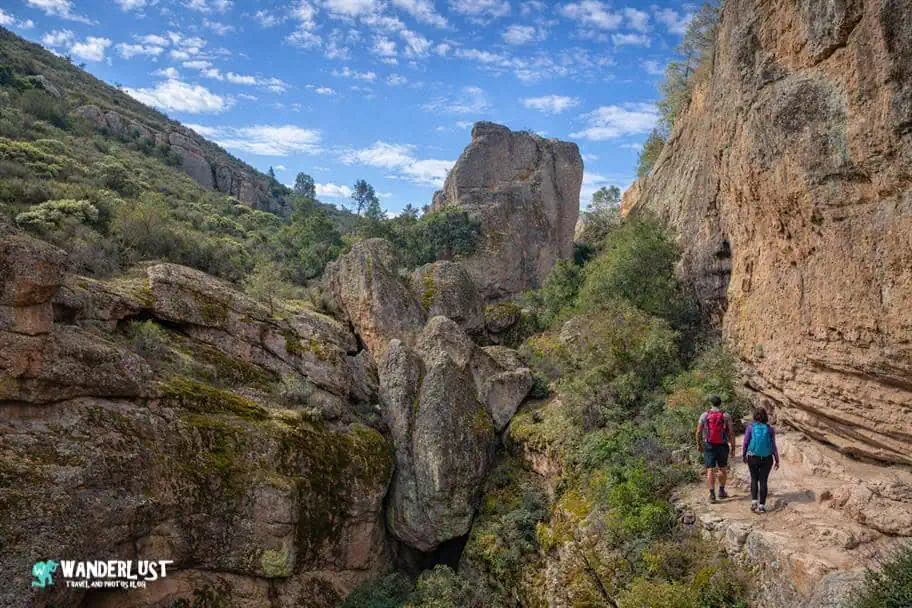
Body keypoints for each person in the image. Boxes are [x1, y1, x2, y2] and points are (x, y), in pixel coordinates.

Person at [696, 396, 735, 504]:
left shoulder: (704, 415)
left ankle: (712, 494)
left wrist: (699, 444)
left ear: (711, 403)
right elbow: (731, 432)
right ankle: (721, 491)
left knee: (710, 469)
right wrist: (733, 448)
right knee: (723, 468)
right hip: (722, 445)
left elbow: (698, 431)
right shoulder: (726, 416)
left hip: (709, 445)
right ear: (720, 403)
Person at [742, 407, 780, 513]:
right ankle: (762, 506)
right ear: (765, 417)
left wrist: (744, 455)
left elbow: (745, 442)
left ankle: (754, 501)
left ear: (754, 416)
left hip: (753, 457)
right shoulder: (770, 429)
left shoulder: (750, 428)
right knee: (763, 481)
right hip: (767, 458)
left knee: (754, 479)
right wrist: (776, 460)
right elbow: (773, 445)